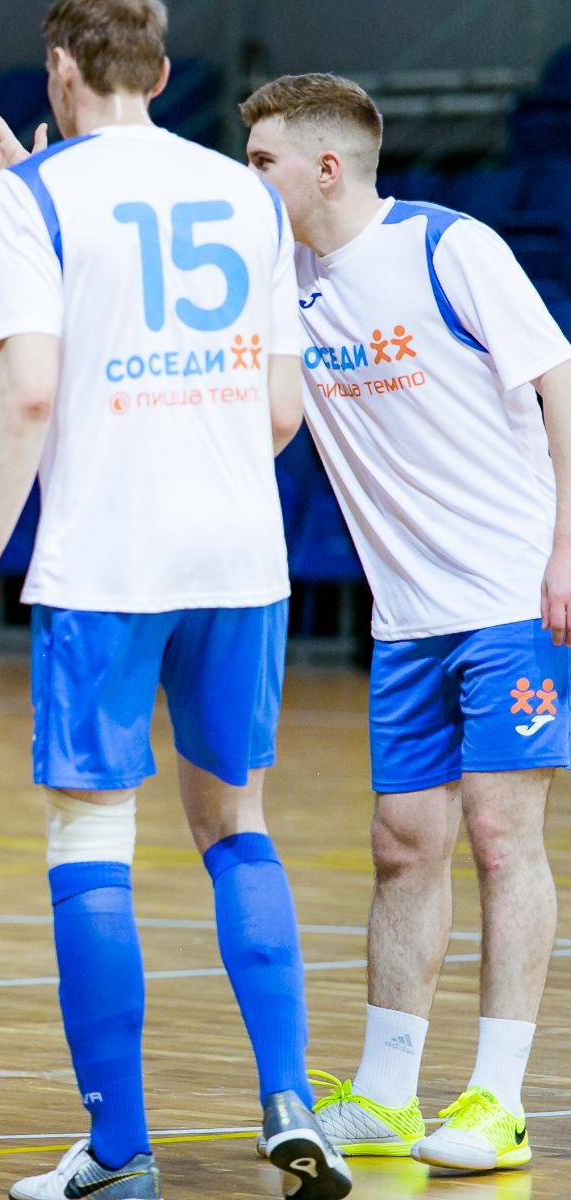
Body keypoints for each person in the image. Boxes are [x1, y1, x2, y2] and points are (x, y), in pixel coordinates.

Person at [0, 3, 349, 1197]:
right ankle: (291, 1099)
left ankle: (120, 1151)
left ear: (60, 70)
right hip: (239, 556)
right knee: (237, 824)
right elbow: (281, 411)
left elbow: (30, 392)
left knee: (90, 838)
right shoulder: (246, 194)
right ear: (165, 72)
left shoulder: (34, 196)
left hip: (109, 559)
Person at [241, 72, 571, 1174]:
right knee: (402, 845)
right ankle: (386, 1096)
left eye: (263, 162)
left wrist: (569, 548)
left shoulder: (448, 247)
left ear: (327, 167)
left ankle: (498, 1101)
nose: (249, 180)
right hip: (407, 618)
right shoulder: (281, 280)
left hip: (510, 598)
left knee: (501, 838)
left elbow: (561, 382)